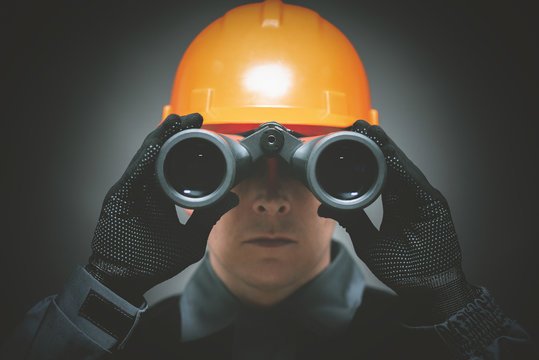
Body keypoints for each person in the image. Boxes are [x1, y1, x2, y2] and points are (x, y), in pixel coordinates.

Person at [1, 1, 534, 359]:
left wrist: (451, 305)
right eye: (227, 163)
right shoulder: (120, 341)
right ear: (174, 166)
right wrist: (109, 284)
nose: (271, 200)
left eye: (321, 164)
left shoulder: (427, 340)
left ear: (372, 166)